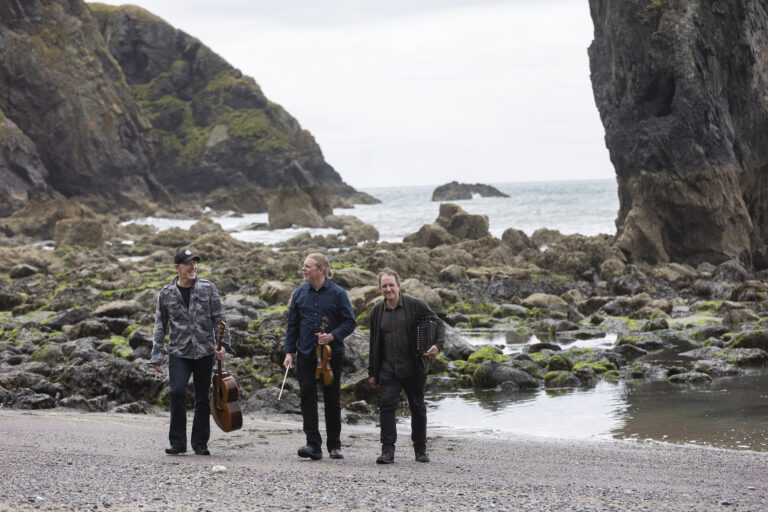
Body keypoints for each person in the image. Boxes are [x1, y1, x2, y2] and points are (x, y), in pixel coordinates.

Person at [151, 248, 232, 456]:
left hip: (205, 351)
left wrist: (224, 345)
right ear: (177, 267)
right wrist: (157, 356)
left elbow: (219, 318)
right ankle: (178, 443)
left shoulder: (208, 288)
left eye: (195, 263)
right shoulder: (166, 293)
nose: (193, 267)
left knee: (203, 397)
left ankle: (200, 443)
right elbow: (160, 326)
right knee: (177, 392)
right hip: (179, 352)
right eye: (188, 264)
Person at [367, 267, 445, 464]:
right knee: (386, 407)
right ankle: (387, 451)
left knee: (417, 407)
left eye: (391, 285)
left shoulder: (416, 305)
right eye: (384, 286)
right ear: (380, 288)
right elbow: (374, 343)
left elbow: (438, 323)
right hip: (388, 369)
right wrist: (372, 372)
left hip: (413, 367)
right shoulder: (376, 311)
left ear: (399, 286)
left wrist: (437, 345)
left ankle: (420, 450)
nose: (388, 289)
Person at [283, 253, 356, 461]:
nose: (303, 269)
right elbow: (292, 326)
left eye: (307, 266)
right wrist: (289, 352)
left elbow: (350, 322)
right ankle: (313, 445)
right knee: (307, 398)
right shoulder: (299, 294)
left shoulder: (338, 293)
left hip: (331, 355)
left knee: (332, 399)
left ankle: (335, 446)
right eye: (304, 266)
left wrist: (332, 336)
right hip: (306, 354)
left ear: (320, 270)